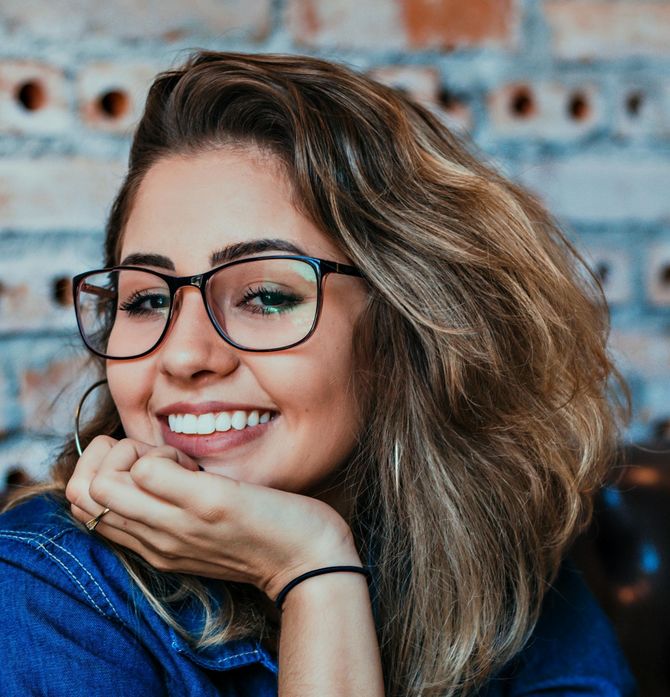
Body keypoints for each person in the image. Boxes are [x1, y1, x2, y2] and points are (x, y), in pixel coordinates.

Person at [0, 50, 637, 696]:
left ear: (402, 332)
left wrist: (312, 562)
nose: (185, 355)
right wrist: (313, 572)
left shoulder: (493, 564)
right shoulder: (43, 591)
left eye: (266, 295)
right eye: (147, 299)